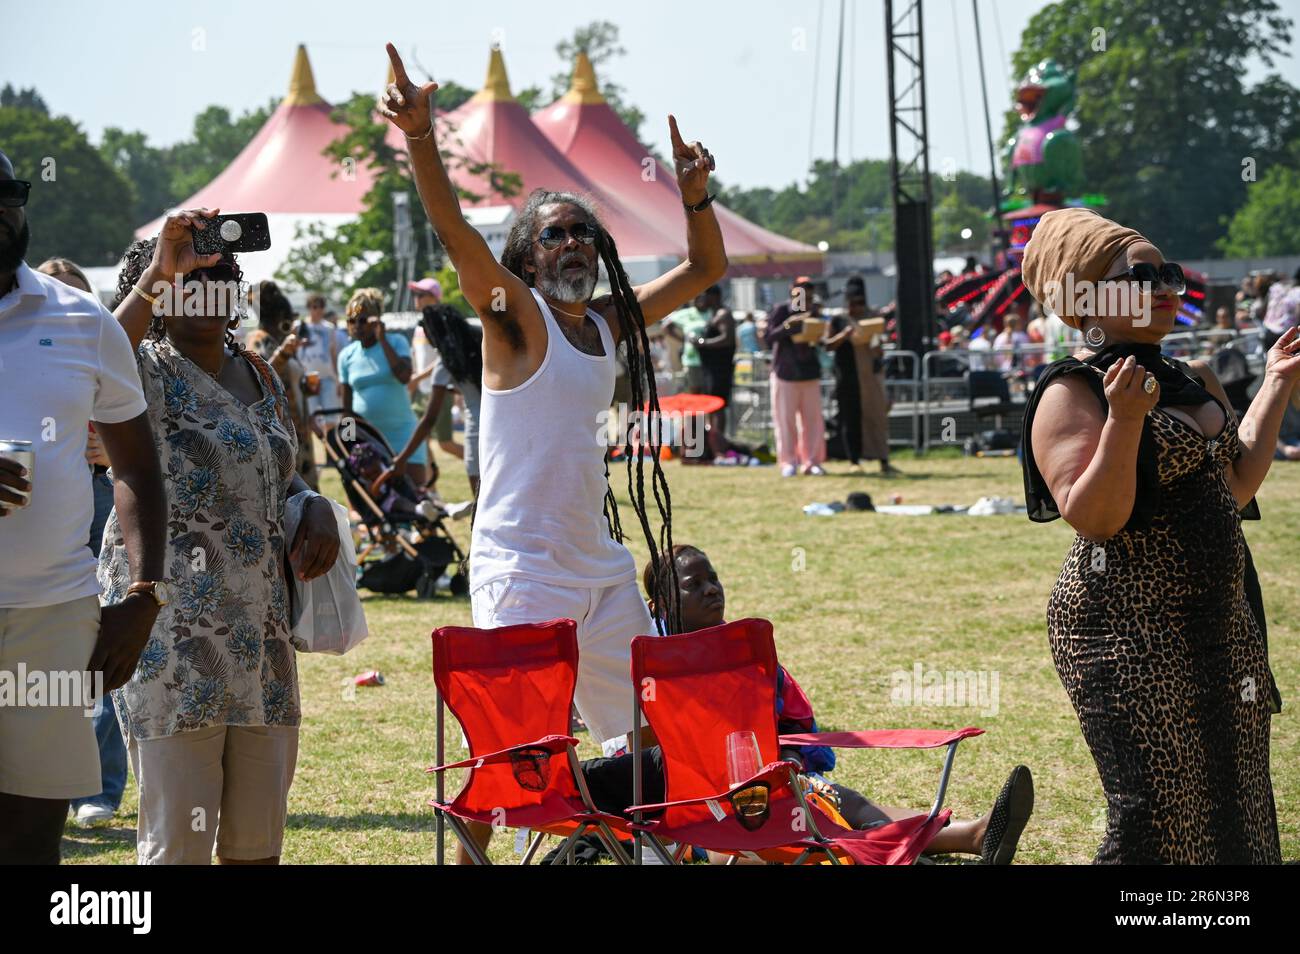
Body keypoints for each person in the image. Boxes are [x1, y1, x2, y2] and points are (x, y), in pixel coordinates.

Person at [377, 42, 727, 863]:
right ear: (528, 257)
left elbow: (707, 265)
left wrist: (696, 194)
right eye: (554, 234)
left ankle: (644, 852)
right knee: (514, 764)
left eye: (582, 231)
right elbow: (454, 230)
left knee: (652, 734)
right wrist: (421, 138)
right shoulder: (514, 317)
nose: (571, 242)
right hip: (522, 568)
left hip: (600, 569)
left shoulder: (609, 323)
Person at [1020, 207, 1300, 864]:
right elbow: (1096, 517)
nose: (1169, 287)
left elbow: (1234, 485)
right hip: (1124, 630)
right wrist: (1122, 419)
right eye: (1145, 277)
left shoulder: (1189, 376)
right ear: (1082, 295)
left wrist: (1276, 384)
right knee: (1156, 815)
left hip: (1217, 622)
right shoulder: (1074, 390)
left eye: (1169, 272)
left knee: (1236, 798)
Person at [106, 210, 341, 864]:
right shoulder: (140, 371)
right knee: (177, 844)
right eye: (190, 275)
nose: (207, 285)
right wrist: (161, 266)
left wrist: (312, 501)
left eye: (222, 273)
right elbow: (91, 357)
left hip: (261, 642)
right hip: (173, 639)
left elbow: (279, 475)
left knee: (255, 842)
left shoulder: (260, 373)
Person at [574, 544, 1035, 865]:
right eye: (695, 584)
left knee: (834, 801)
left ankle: (971, 836)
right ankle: (958, 839)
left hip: (770, 781)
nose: (713, 589)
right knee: (799, 822)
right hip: (697, 806)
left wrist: (792, 756)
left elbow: (795, 718)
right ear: (661, 602)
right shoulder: (642, 661)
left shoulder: (744, 654)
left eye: (714, 579)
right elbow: (632, 754)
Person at [0, 151, 167, 864]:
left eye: (8, 191)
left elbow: (136, 465)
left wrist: (144, 594)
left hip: (52, 614)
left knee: (35, 834)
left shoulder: (80, 320)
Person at [37, 257, 131, 827]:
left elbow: (140, 431)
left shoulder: (109, 346)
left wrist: (111, 453)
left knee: (105, 645)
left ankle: (99, 787)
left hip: (103, 498)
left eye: (77, 296)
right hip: (37, 514)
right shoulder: (26, 345)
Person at [386, 302, 483, 499]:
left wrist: (402, 458)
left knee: (480, 499)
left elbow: (429, 419)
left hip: (478, 429)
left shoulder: (445, 362)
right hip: (507, 424)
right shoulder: (482, 339)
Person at [337, 287, 427, 486]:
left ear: (376, 320)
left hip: (402, 435)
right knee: (381, 504)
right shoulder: (346, 355)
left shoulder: (397, 342)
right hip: (368, 440)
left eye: (363, 320)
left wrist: (382, 340)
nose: (357, 326)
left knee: (416, 495)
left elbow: (404, 376)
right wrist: (349, 443)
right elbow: (347, 408)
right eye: (351, 321)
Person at [246, 281, 320, 490]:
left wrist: (306, 387)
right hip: (281, 433)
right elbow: (260, 377)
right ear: (278, 319)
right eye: (288, 320)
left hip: (298, 429)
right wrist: (285, 353)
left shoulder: (280, 342)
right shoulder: (260, 341)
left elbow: (286, 383)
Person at [823, 276, 896, 474]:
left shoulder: (872, 317)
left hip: (871, 378)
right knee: (850, 420)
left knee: (877, 420)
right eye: (853, 303)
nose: (857, 307)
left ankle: (883, 460)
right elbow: (827, 345)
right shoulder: (838, 320)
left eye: (860, 303)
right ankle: (854, 460)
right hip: (847, 377)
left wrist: (876, 343)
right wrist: (843, 336)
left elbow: (879, 348)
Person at [764, 277, 827, 476]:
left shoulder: (815, 311)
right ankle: (788, 461)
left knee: (813, 422)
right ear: (792, 291)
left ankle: (812, 461)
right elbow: (768, 337)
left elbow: (821, 339)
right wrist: (788, 325)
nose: (804, 295)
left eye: (808, 291)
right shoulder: (781, 310)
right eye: (800, 290)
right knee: (785, 422)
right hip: (786, 373)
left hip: (809, 373)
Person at [407, 278, 462, 477]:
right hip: (422, 391)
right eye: (416, 294)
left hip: (439, 391)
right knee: (421, 442)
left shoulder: (441, 323)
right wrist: (413, 379)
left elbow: (442, 358)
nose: (417, 299)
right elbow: (415, 355)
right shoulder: (419, 326)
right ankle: (430, 490)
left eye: (421, 295)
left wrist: (417, 377)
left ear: (434, 297)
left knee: (445, 443)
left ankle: (482, 467)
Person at [294, 292, 349, 416]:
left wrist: (338, 378)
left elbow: (333, 354)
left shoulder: (329, 328)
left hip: (328, 377)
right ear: (309, 308)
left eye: (320, 307)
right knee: (313, 417)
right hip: (307, 378)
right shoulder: (300, 327)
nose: (318, 310)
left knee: (331, 417)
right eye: (314, 307)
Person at [1261, 265, 1300, 351]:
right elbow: (1298, 312)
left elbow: (1263, 308)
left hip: (1268, 331)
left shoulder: (1276, 287)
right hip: (1288, 334)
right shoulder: (1298, 291)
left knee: (1272, 362)